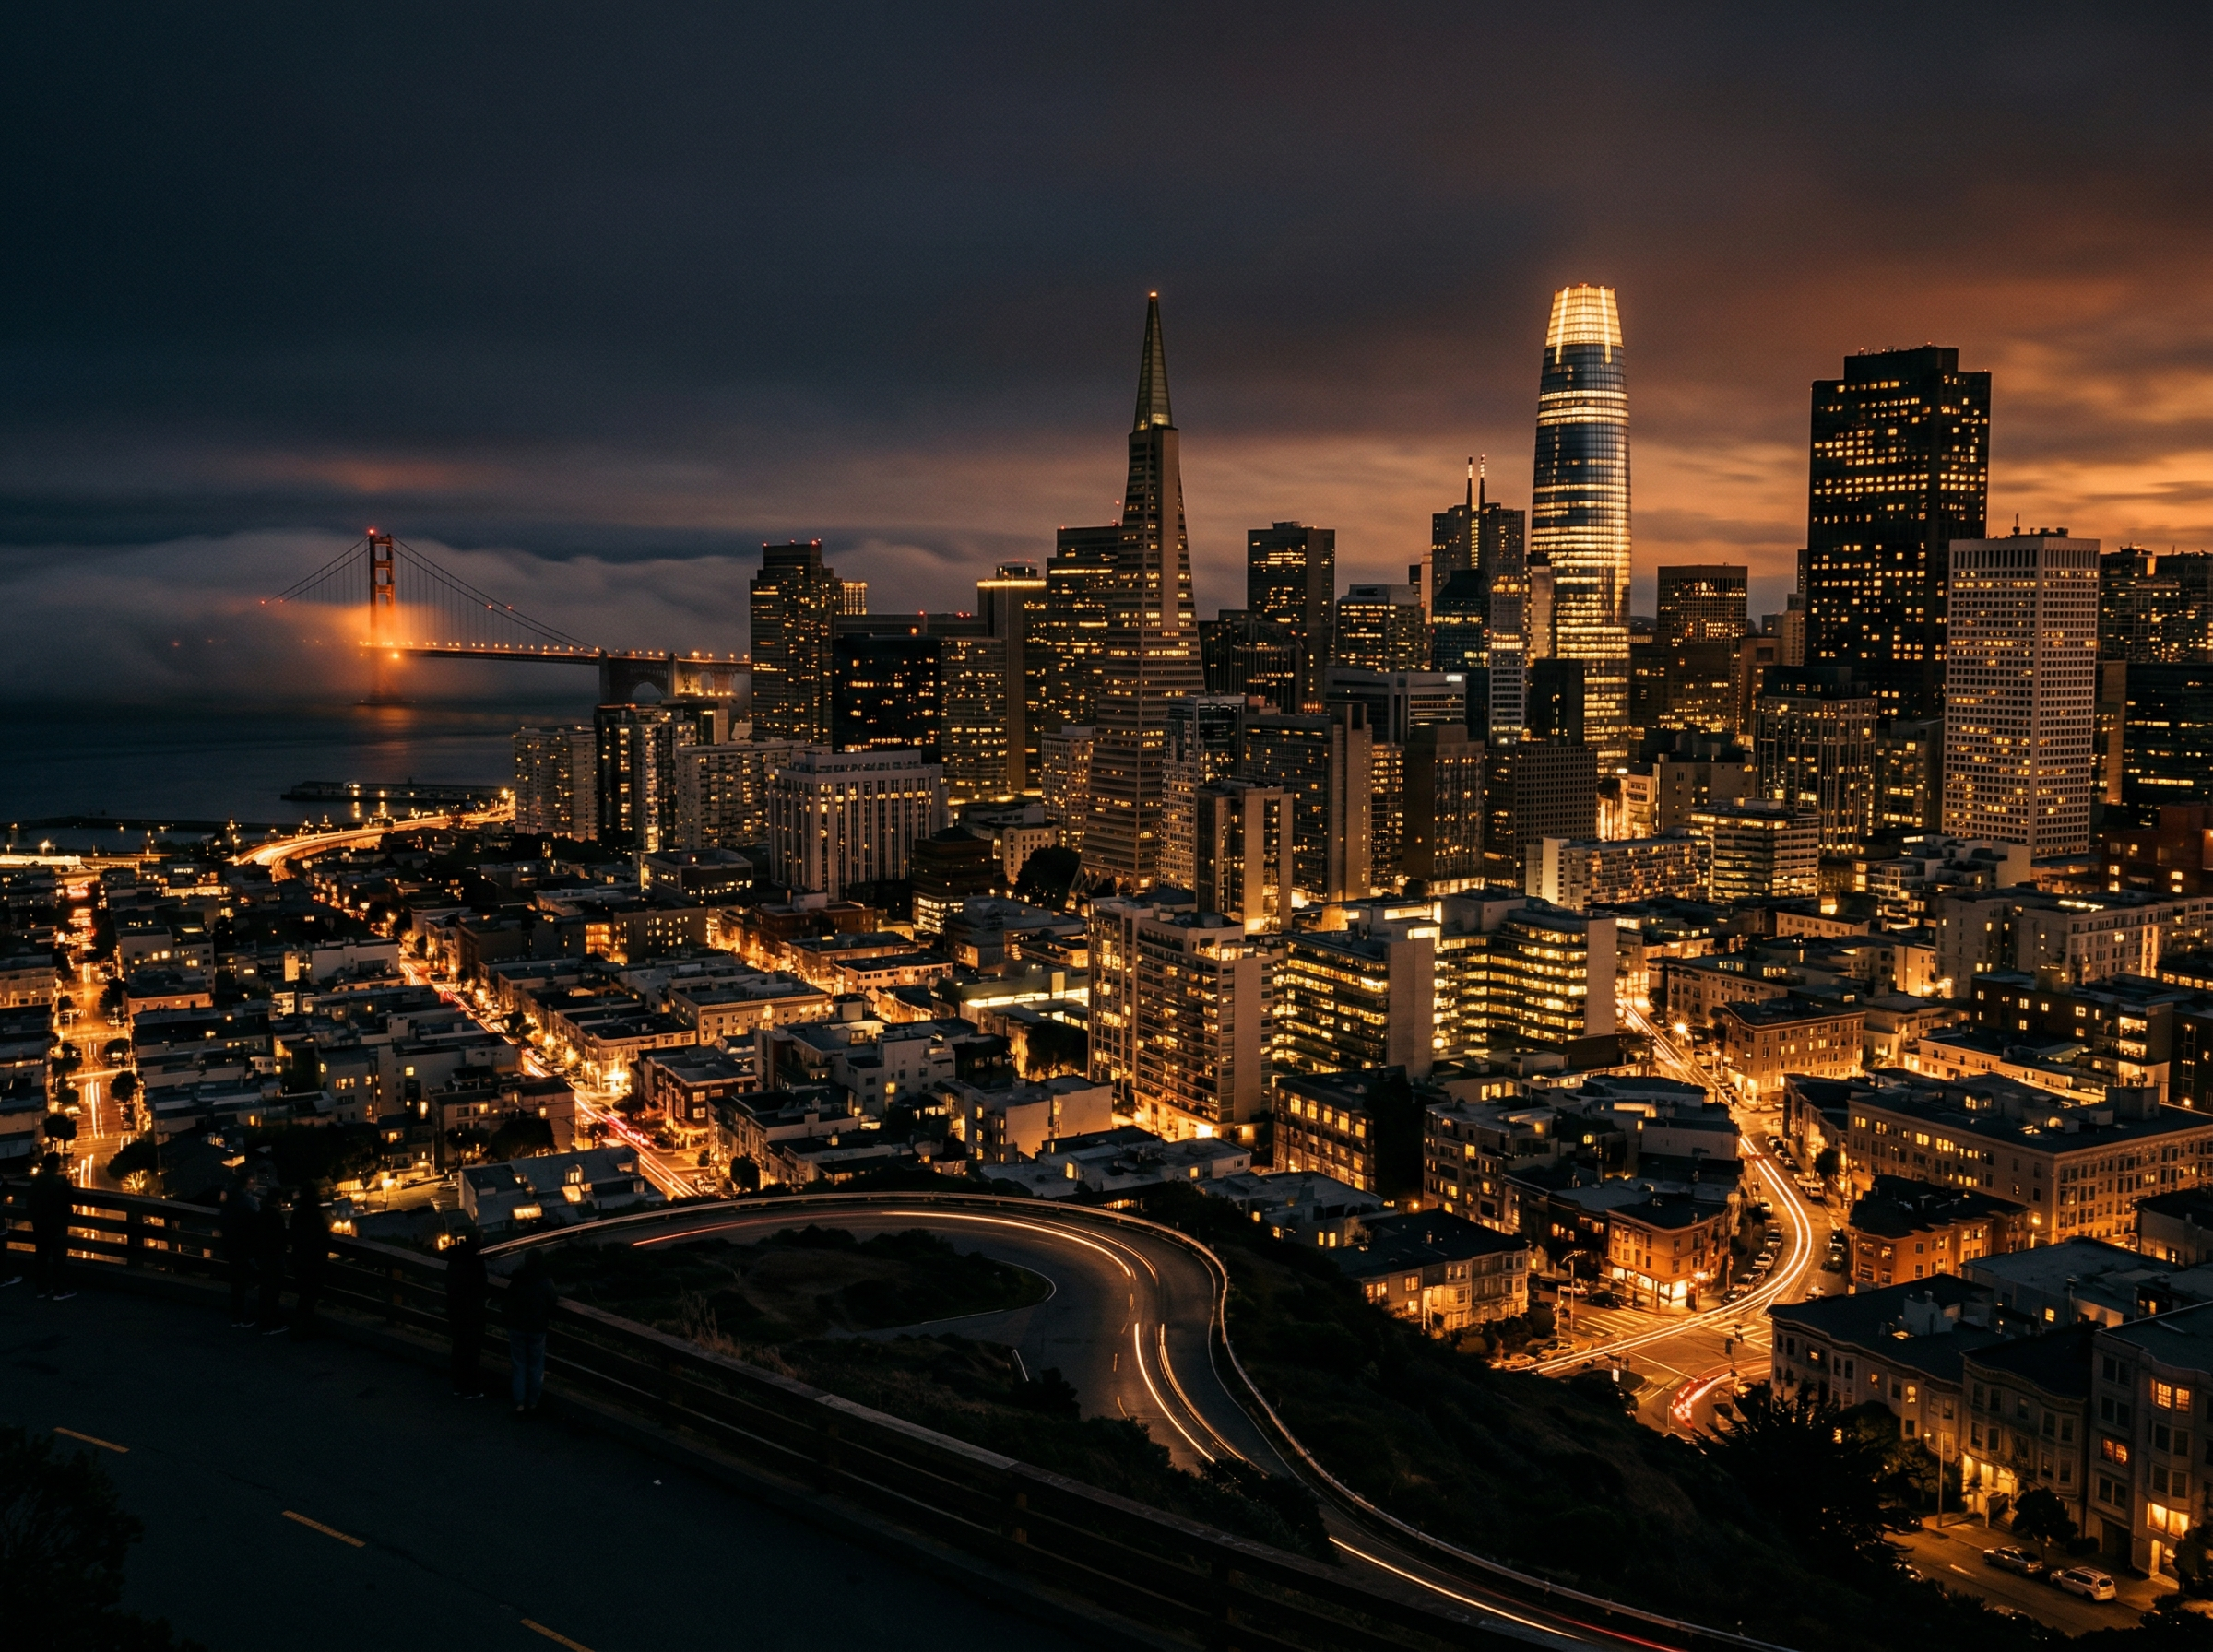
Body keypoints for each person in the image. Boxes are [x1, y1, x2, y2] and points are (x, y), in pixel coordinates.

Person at [504, 1247, 559, 1414]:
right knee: (536, 1366)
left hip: (517, 1328)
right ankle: (533, 1402)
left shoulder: (517, 1279)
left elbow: (507, 1303)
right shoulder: (545, 1281)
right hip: (537, 1329)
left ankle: (519, 1403)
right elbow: (553, 1301)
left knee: (519, 1365)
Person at [445, 1233, 488, 1398]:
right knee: (472, 1350)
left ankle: (458, 1385)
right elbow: (482, 1285)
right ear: (477, 1241)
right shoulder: (476, 1260)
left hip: (455, 1309)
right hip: (472, 1311)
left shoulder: (454, 1258)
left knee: (458, 1347)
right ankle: (470, 1388)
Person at [29, 1153, 74, 1300]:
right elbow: (69, 1197)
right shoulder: (59, 1183)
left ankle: (42, 1289)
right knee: (58, 1257)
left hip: (39, 1223)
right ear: (56, 1165)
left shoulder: (37, 1182)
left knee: (41, 1255)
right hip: (56, 1224)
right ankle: (59, 1290)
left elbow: (30, 1202)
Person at [219, 1169, 259, 1327]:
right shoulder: (248, 1201)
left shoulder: (229, 1196)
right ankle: (242, 1316)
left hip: (229, 1243)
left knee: (236, 1282)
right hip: (243, 1245)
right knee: (244, 1280)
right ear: (249, 1181)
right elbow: (258, 1217)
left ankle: (237, 1315)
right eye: (254, 1181)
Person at [289, 1185, 327, 1339]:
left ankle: (303, 1326)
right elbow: (323, 1237)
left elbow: (293, 1235)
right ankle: (303, 1328)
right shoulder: (316, 1216)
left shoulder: (297, 1214)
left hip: (299, 1259)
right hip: (314, 1261)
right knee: (311, 1294)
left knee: (304, 1293)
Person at [254, 1185, 290, 1333]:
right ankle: (269, 1324)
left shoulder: (261, 1213)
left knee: (265, 1290)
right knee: (273, 1292)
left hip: (262, 1257)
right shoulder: (276, 1216)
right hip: (274, 1258)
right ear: (278, 1200)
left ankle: (265, 1320)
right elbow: (280, 1239)